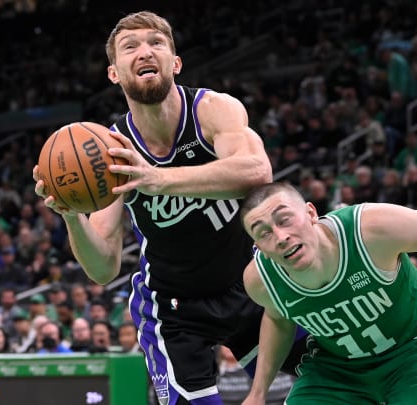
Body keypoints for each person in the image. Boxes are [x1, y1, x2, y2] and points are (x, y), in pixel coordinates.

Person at [33, 11, 305, 404]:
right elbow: (103, 268)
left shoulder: (212, 110)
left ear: (175, 63)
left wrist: (157, 178)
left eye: (155, 43)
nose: (145, 52)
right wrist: (71, 215)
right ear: (114, 74)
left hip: (248, 283)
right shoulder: (111, 151)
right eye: (131, 47)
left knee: (330, 379)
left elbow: (258, 172)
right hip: (173, 310)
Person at [239, 183, 417, 404]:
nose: (281, 238)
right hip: (336, 370)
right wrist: (258, 392)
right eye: (264, 233)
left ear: (311, 213)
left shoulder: (368, 229)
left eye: (285, 220)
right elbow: (278, 319)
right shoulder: (260, 281)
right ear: (258, 247)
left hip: (414, 351)